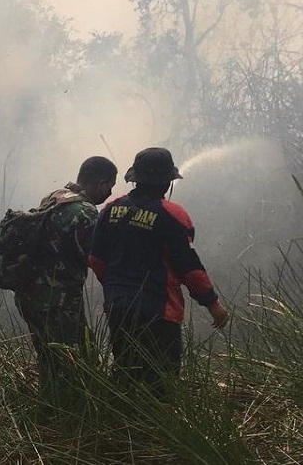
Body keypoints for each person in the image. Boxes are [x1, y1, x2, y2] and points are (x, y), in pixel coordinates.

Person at [88, 147, 229, 392]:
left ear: (135, 179)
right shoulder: (173, 215)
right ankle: (156, 428)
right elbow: (190, 268)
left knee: (127, 372)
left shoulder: (110, 209)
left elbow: (97, 259)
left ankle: (122, 426)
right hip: (158, 312)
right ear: (167, 182)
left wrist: (115, 289)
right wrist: (213, 304)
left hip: (119, 308)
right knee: (161, 382)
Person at [15, 156, 118, 388]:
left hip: (28, 292)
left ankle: (48, 407)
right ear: (101, 183)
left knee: (49, 358)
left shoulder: (55, 197)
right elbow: (93, 257)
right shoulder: (86, 212)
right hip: (58, 300)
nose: (109, 194)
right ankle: (70, 414)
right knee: (80, 359)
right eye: (109, 187)